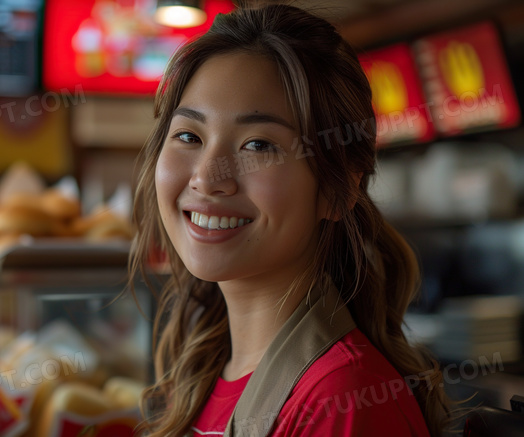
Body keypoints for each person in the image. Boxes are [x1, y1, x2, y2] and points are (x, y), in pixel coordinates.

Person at [128, 4, 453, 436]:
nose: (208, 178)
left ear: (338, 191)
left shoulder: (341, 400)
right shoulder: (203, 370)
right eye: (189, 136)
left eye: (258, 145)